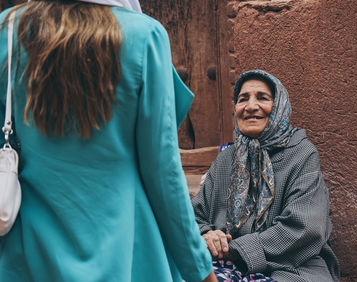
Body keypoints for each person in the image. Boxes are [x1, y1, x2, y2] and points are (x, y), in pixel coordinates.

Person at [0, 0, 217, 281]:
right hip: (128, 250)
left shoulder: (9, 29)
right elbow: (163, 173)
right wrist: (199, 268)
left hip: (29, 253)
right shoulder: (144, 36)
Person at [192, 70, 340, 282]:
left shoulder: (302, 154)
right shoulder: (226, 159)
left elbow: (305, 228)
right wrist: (207, 235)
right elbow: (194, 216)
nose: (251, 107)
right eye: (243, 99)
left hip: (293, 267)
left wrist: (236, 250)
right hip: (225, 264)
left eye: (262, 98)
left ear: (279, 106)